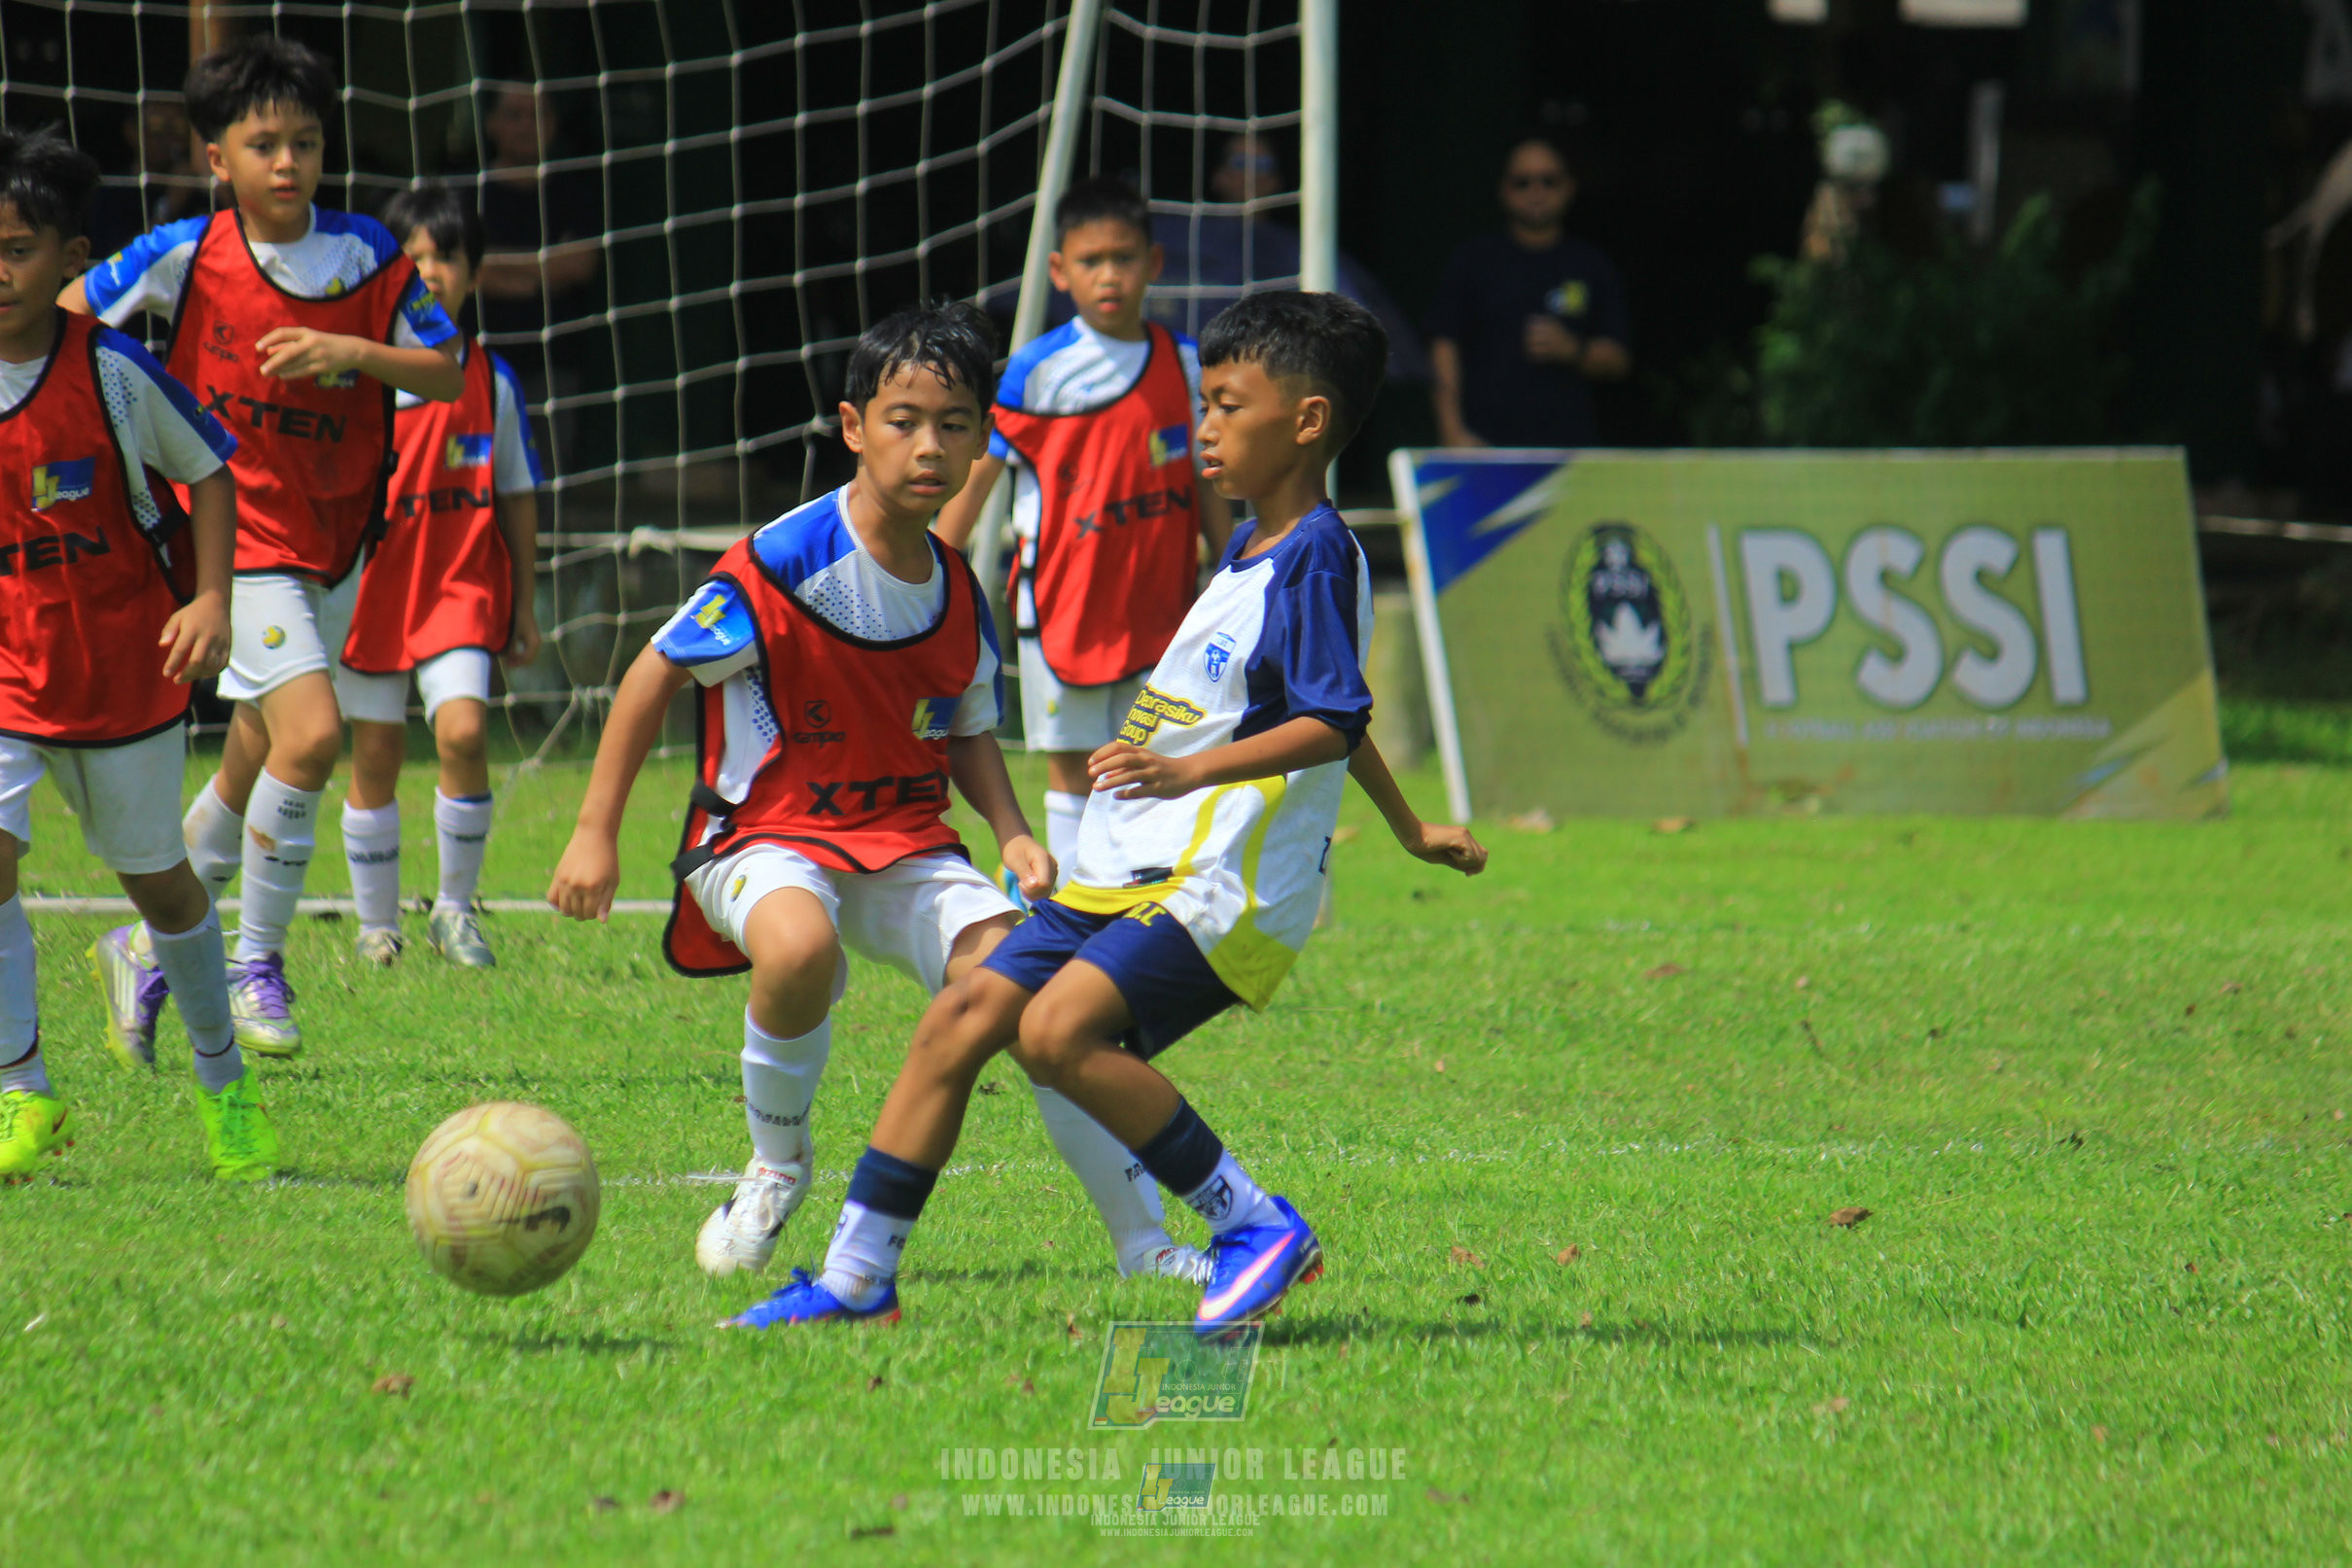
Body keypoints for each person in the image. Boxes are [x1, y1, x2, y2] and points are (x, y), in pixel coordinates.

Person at [722, 292, 1488, 1334]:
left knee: (1056, 1032)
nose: (1203, 428)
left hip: (1219, 882)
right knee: (958, 1022)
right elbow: (1330, 709)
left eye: (1225, 406)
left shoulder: (1312, 550)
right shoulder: (1255, 550)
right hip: (1131, 867)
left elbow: (1325, 719)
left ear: (1305, 421)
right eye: (1202, 405)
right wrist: (1409, 828)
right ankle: (857, 1276)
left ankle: (1252, 1222)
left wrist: (1191, 771)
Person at [547, 301, 1213, 1287]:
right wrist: (592, 831)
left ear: (984, 434)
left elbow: (966, 726)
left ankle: (1143, 1241)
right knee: (799, 944)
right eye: (903, 420)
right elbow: (653, 673)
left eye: (953, 424)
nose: (929, 445)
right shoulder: (784, 559)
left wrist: (1016, 832)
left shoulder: (954, 584)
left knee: (1040, 1001)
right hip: (762, 832)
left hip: (903, 842)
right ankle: (776, 1168)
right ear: (854, 427)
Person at [64, 34, 464, 1056]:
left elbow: (447, 369)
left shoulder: (367, 251)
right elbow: (66, 321)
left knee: (259, 742)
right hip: (231, 535)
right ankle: (253, 959)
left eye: (306, 143)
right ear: (216, 159)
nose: (287, 163)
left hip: (335, 535)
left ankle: (149, 943)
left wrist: (351, 352)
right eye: (263, 144)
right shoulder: (183, 252)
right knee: (314, 732)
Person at [0, 127, 280, 1183]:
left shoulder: (114, 373)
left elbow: (211, 471)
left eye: (19, 248)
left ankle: (225, 1086)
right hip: (8, 671)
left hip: (123, 671)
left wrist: (211, 598)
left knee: (160, 885)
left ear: (74, 259)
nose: (0, 269)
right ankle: (23, 1093)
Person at [934, 176, 1234, 887]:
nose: (1109, 275)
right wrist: (932, 576)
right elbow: (978, 481)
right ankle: (1054, 908)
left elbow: (1206, 484)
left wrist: (1232, 576)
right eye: (1091, 260)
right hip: (1062, 604)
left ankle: (1122, 902)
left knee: (1146, 760)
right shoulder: (1038, 370)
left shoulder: (1187, 364)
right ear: (1059, 270)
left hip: (1160, 605)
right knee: (1073, 764)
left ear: (1153, 264)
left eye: (1123, 258)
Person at [334, 181, 544, 970]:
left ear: (474, 272)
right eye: (411, 257)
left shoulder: (492, 381)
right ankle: (376, 924)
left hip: (460, 589)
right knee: (376, 757)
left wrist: (524, 603)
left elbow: (517, 496)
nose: (429, 271)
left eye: (445, 256)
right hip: (371, 594)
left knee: (461, 731)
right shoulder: (362, 377)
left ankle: (454, 911)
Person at [1428, 135, 1632, 448]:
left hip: (1571, 452)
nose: (1536, 192)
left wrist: (1575, 350)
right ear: (1504, 190)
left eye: (1549, 181)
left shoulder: (1592, 265)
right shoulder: (1474, 260)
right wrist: (1452, 431)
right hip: (1486, 448)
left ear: (1569, 188)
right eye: (1523, 182)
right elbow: (1444, 345)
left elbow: (1619, 358)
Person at [85, 99, 210, 265]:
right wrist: (168, 206)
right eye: (156, 128)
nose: (168, 139)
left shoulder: (196, 192)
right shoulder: (110, 192)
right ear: (131, 131)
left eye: (179, 130)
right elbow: (113, 265)